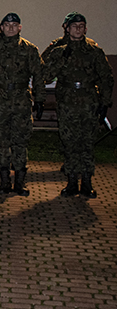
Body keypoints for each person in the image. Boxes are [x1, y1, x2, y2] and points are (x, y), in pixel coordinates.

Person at [44, 13, 114, 198]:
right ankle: (72, 181)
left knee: (87, 143)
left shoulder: (94, 52)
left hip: (89, 102)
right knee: (70, 142)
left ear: (85, 29)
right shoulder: (59, 51)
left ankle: (87, 182)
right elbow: (47, 75)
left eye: (81, 26)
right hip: (67, 103)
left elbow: (107, 78)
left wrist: (105, 102)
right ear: (67, 28)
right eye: (74, 26)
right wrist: (61, 58)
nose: (78, 29)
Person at [0, 13, 45, 196]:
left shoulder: (29, 49)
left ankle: (20, 182)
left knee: (20, 142)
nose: (11, 28)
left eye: (14, 25)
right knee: (1, 141)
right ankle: (4, 181)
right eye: (7, 25)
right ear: (1, 27)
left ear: (20, 28)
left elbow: (38, 74)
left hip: (21, 99)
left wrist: (39, 98)